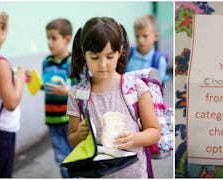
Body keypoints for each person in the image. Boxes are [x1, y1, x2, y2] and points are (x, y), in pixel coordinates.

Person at [67, 17, 161, 178]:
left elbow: (154, 131)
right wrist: (80, 135)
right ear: (84, 52)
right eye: (95, 57)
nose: (102, 64)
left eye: (109, 56)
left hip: (135, 173)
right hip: (98, 173)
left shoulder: (136, 88)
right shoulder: (77, 94)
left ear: (120, 51)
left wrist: (135, 138)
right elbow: (72, 139)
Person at [42, 18, 75, 178]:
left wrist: (67, 91)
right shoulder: (46, 62)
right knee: (61, 157)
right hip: (52, 120)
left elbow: (79, 90)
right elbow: (46, 85)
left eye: (54, 38)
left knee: (75, 156)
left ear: (67, 39)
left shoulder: (72, 62)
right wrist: (31, 80)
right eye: (47, 38)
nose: (50, 42)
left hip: (70, 120)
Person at [0, 10, 26, 178]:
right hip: (2, 133)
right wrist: (20, 79)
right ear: (1, 30)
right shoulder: (1, 63)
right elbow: (11, 103)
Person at [125, 15, 169, 84]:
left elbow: (158, 87)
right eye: (137, 36)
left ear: (156, 36)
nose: (140, 40)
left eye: (145, 36)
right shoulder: (128, 54)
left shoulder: (159, 60)